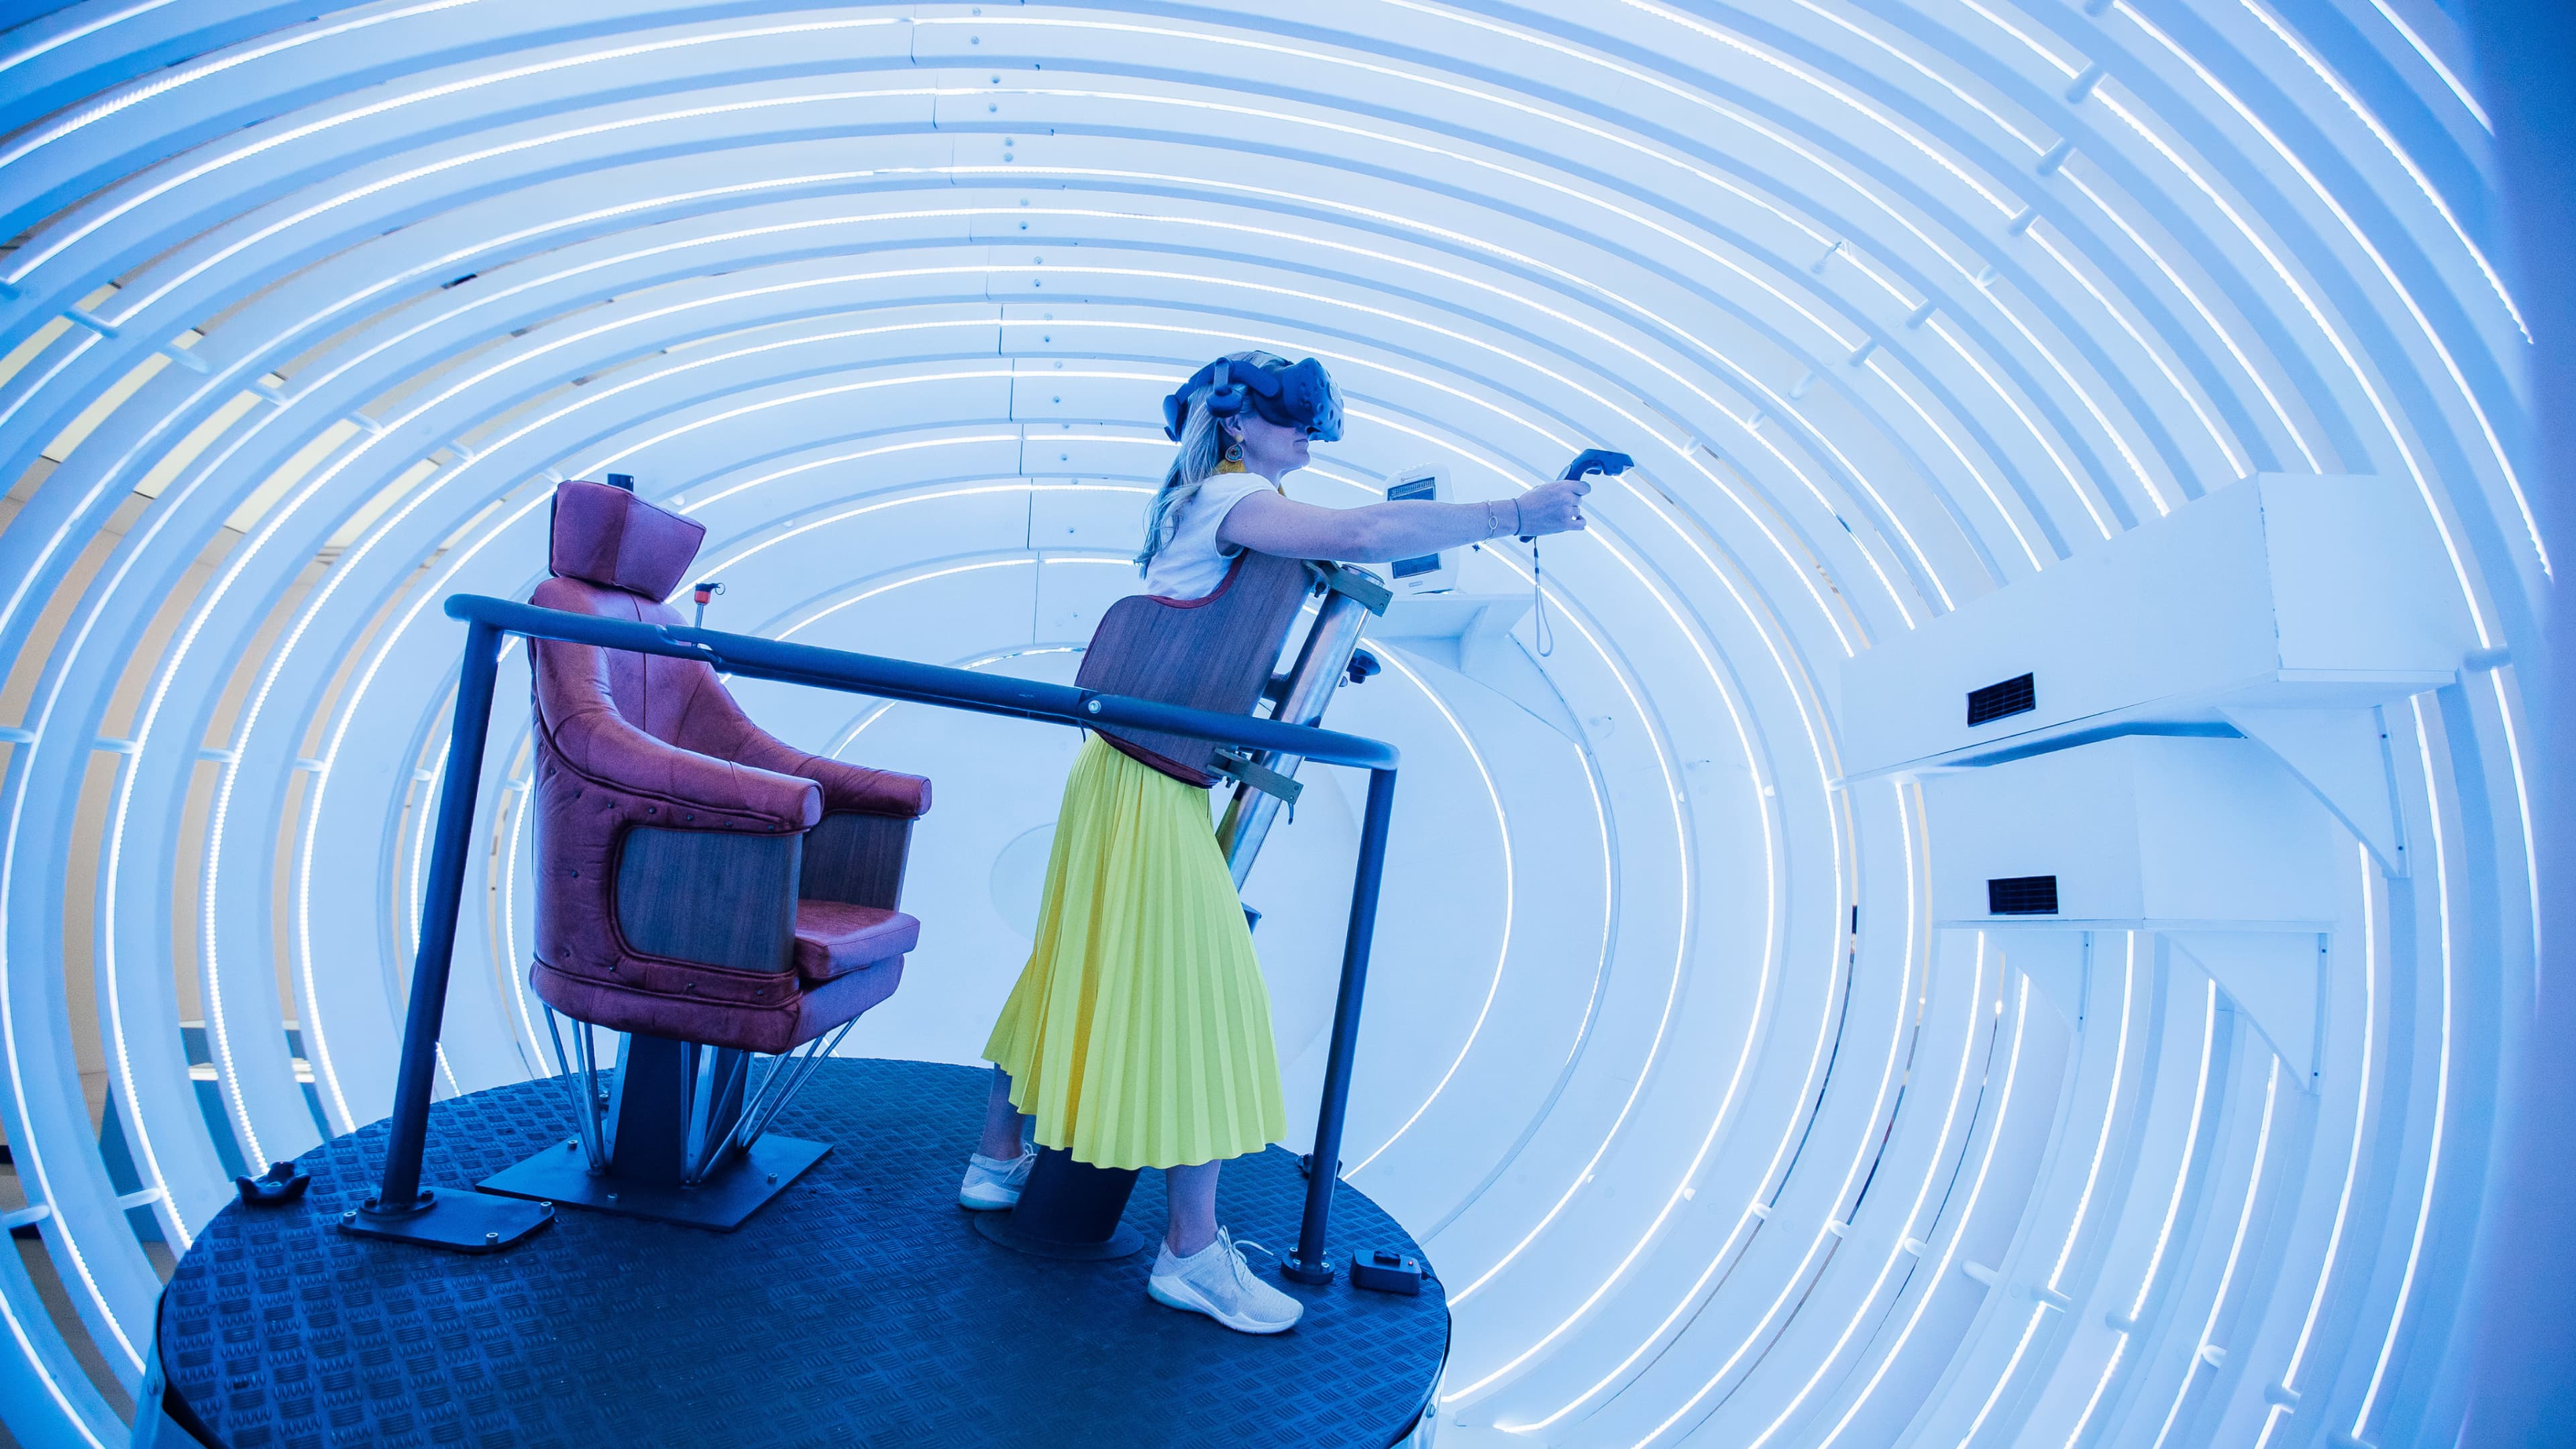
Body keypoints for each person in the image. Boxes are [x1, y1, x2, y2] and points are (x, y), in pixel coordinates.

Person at [959, 350, 1595, 1333]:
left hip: (1130, 772)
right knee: (1205, 1003)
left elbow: (1191, 653)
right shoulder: (1230, 500)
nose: (1310, 433)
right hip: (1149, 785)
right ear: (1236, 422)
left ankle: (997, 1159)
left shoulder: (1220, 512)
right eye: (1290, 417)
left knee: (1069, 970)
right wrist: (1517, 514)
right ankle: (1191, 1255)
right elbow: (1369, 530)